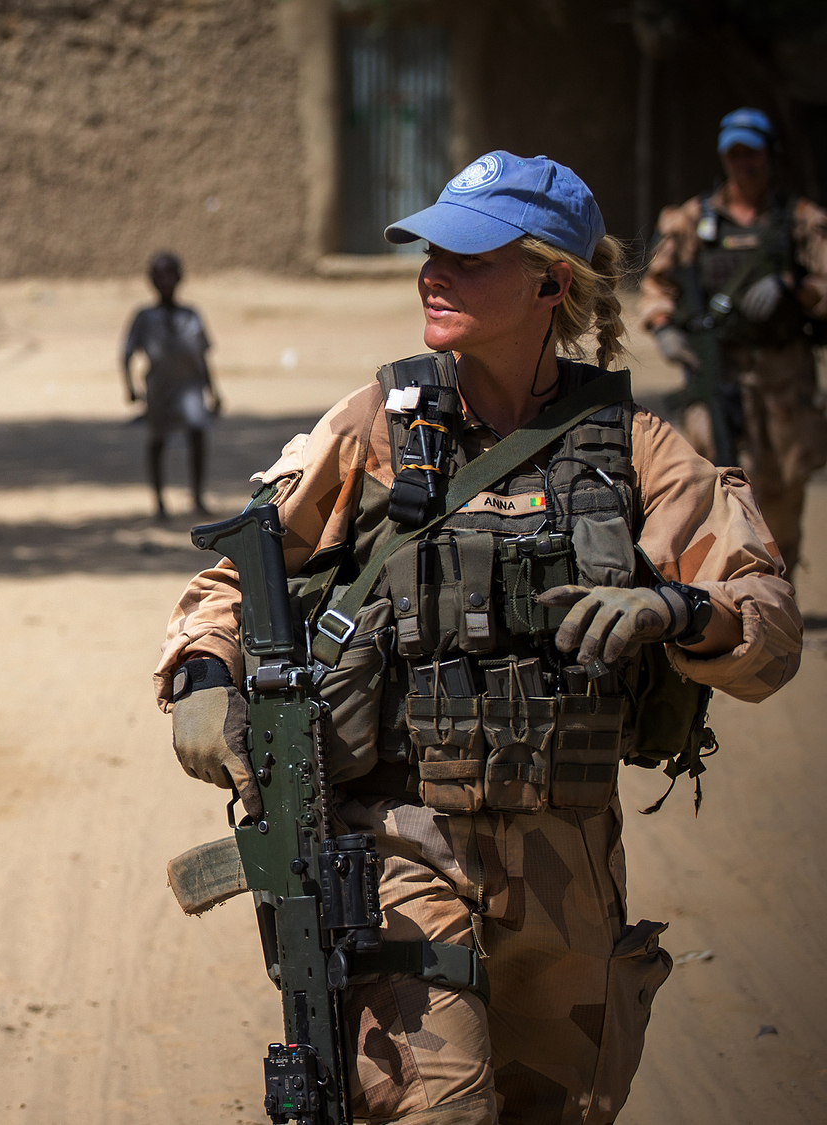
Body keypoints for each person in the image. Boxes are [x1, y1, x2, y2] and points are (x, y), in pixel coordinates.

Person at [156, 152, 800, 1122]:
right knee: (440, 1107)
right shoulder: (377, 426)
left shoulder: (634, 448)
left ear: (551, 283)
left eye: (466, 255)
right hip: (403, 844)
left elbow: (768, 631)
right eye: (428, 250)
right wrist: (204, 671)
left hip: (569, 868)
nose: (432, 272)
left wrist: (674, 610)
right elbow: (236, 576)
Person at [641, 107, 827, 571]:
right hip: (717, 370)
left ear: (769, 156)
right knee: (718, 476)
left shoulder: (799, 221)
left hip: (784, 372)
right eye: (735, 154)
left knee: (785, 482)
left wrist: (790, 286)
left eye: (753, 153)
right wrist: (664, 330)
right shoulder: (691, 221)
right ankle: (734, 583)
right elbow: (657, 287)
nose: (744, 164)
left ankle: (777, 578)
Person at [122, 251, 220, 519]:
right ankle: (159, 501)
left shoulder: (191, 315)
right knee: (157, 441)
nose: (165, 280)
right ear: (151, 279)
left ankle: (197, 497)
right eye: (159, 274)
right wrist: (130, 389)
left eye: (170, 274)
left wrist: (214, 392)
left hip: (190, 386)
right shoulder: (144, 317)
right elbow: (126, 354)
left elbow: (202, 356)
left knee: (197, 432)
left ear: (180, 277)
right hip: (158, 389)